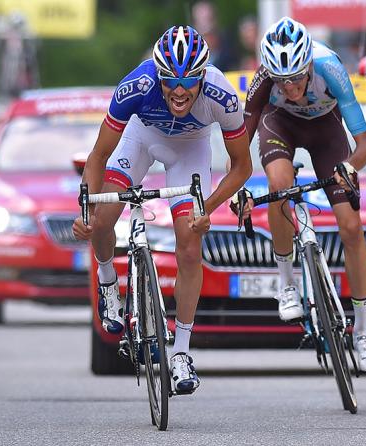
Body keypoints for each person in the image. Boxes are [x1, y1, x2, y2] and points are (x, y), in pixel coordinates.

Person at [72, 25, 252, 394]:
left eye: (189, 81)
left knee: (189, 245)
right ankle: (109, 283)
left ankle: (182, 354)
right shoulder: (136, 86)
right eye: (170, 81)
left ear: (203, 75)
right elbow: (98, 155)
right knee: (104, 221)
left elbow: (242, 167)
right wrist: (87, 211)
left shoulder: (221, 95)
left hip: (190, 149)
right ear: (158, 75)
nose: (180, 91)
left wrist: (210, 208)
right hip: (140, 139)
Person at [243, 17, 366, 372]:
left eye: (296, 78)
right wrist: (238, 186)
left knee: (351, 227)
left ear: (309, 65)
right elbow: (238, 147)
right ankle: (287, 283)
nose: (289, 88)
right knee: (278, 187)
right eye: (281, 80)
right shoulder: (264, 81)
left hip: (326, 131)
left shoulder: (330, 69)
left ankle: (363, 330)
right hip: (281, 126)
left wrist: (349, 168)